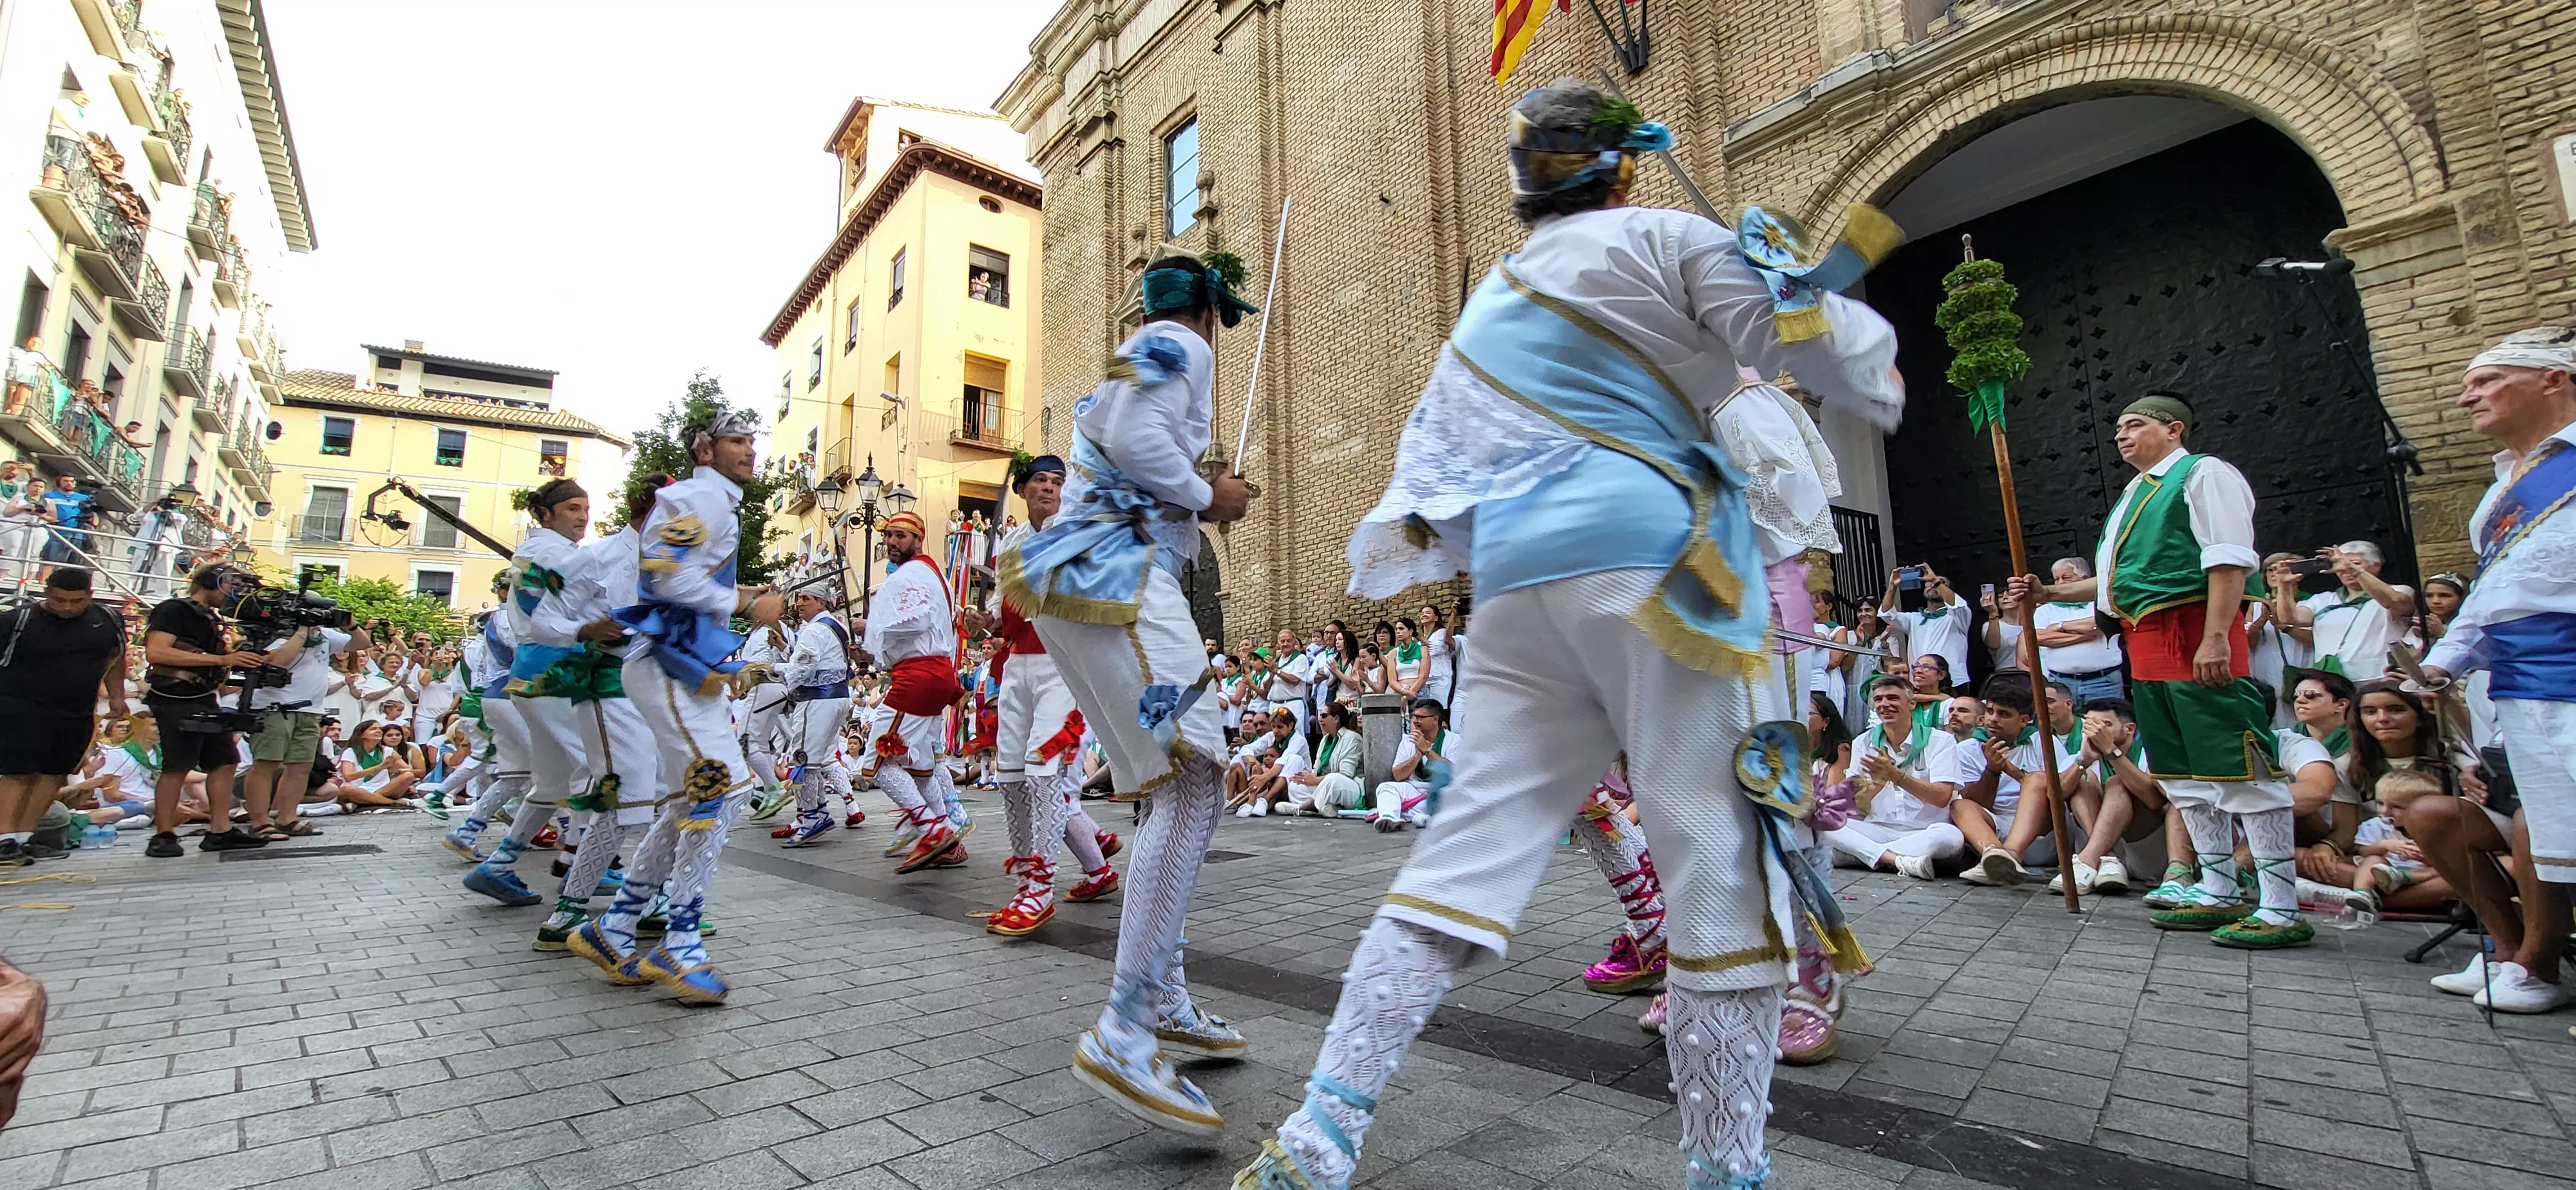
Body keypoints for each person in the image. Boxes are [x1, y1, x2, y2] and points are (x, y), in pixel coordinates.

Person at [1239, 80, 1900, 1189]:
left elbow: (1444, 463)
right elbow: (1828, 355)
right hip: (1664, 561)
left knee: (1459, 864)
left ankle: (1320, 1130)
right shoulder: (1665, 233)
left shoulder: (1495, 292)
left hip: (1517, 583)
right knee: (1716, 858)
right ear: (1624, 168)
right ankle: (1727, 1169)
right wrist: (1813, 280)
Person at [999, 248, 1258, 1132]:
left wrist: (1195, 499)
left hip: (1089, 573)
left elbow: (1113, 426)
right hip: (1113, 568)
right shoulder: (1179, 345)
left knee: (1167, 785)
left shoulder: (1144, 346)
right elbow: (1126, 429)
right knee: (1197, 777)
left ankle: (1168, 998)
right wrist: (1206, 493)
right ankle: (1128, 1026)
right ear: (1211, 313)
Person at [2010, 392, 2307, 949]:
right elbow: (2113, 580)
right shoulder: (2130, 498)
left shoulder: (2203, 474)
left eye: (2136, 425)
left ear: (2174, 430)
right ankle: (2215, 886)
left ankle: (2281, 904)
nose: (2122, 435)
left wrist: (2218, 635)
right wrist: (2049, 590)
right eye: (2118, 427)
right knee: (2184, 775)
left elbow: (2227, 558)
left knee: (2241, 768)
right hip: (2144, 645)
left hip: (2195, 633)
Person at [571, 422, 780, 1004]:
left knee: (692, 798)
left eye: (751, 442)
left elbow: (683, 575)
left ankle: (614, 929)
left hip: (684, 667)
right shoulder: (695, 497)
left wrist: (737, 597)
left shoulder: (714, 503)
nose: (750, 450)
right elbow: (665, 575)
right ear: (705, 451)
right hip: (667, 667)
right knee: (723, 790)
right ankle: (679, 940)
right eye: (736, 441)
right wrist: (743, 601)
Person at [2414, 326, 2576, 1012]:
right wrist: (2441, 660)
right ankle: (2530, 965)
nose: (2464, 398)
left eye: (2484, 381)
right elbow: (2495, 592)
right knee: (2556, 829)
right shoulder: (2500, 489)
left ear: (2553, 380)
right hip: (2517, 678)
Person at [976, 451, 1121, 934]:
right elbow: (1003, 608)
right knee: (1013, 776)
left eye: (1058, 481)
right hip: (1018, 667)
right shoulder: (1013, 544)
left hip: (1063, 665)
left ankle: (1041, 887)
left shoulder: (1078, 531)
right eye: (1040, 480)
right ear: (1023, 490)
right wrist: (987, 620)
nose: (1050, 488)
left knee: (1044, 773)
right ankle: (1029, 877)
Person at [859, 509, 969, 871]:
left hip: (917, 675)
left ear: (918, 539)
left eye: (900, 536)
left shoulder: (913, 575)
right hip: (934, 674)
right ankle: (950, 835)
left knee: (876, 763)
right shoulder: (931, 574)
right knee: (921, 764)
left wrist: (870, 629)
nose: (892, 542)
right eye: (889, 535)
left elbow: (915, 621)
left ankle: (933, 830)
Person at [0, 569, 127, 865]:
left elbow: (117, 656)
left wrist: (118, 695)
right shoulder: (17, 621)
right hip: (21, 705)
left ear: (90, 597)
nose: (68, 607)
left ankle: (24, 837)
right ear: (47, 594)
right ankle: (3, 838)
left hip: (77, 709)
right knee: (20, 771)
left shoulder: (107, 619)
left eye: (77, 601)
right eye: (60, 600)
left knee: (55, 773)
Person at [140, 565, 267, 856]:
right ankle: (164, 833)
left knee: (224, 760)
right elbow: (157, 652)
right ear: (210, 582)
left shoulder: (211, 618)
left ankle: (220, 829)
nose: (234, 594)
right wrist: (223, 660)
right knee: (177, 765)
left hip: (204, 695)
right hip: (174, 696)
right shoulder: (174, 609)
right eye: (230, 585)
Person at [1821, 675, 1971, 878]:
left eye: (1893, 698)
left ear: (1911, 704)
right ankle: (1896, 861)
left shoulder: (1941, 741)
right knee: (1824, 825)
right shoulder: (1862, 743)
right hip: (1877, 829)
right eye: (1879, 700)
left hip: (1925, 831)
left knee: (1950, 838)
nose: (1885, 704)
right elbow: (1856, 806)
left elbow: (1942, 797)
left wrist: (1898, 777)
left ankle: (1864, 855)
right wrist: (1876, 784)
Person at [242, 612, 363, 842]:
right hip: (274, 707)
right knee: (267, 764)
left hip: (311, 710)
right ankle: (259, 822)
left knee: (301, 767)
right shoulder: (277, 632)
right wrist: (301, 632)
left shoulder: (325, 634)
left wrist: (351, 624)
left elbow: (360, 644)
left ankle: (287, 819)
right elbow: (277, 660)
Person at [776, 578, 856, 847]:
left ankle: (812, 817)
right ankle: (812, 813)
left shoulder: (813, 630)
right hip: (837, 698)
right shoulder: (837, 626)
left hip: (818, 700)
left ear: (821, 602)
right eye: (798, 598)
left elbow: (803, 667)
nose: (799, 604)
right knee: (817, 760)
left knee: (803, 759)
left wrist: (780, 680)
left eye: (806, 599)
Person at [2279, 540, 2416, 678]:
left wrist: (2355, 571)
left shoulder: (2399, 591)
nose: (2344, 569)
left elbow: (2395, 602)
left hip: (2380, 677)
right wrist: (2284, 586)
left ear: (2376, 566)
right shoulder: (2322, 599)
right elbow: (2290, 618)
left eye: (2355, 563)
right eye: (2339, 564)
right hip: (2333, 682)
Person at [2031, 557, 2123, 703]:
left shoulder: (2102, 604)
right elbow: (2038, 638)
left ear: (2085, 579)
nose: (2060, 583)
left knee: (2107, 723)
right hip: (2062, 685)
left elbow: (2096, 626)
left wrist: (2059, 627)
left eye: (2066, 578)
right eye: (2056, 579)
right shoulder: (2045, 610)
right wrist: (2084, 636)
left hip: (2104, 683)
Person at [1368, 699, 1456, 831]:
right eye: (1414, 716)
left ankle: (1415, 815)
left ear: (1435, 720)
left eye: (1420, 717)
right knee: (1386, 787)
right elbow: (1398, 775)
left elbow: (1453, 772)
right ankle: (1390, 818)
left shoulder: (1453, 740)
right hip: (1414, 789)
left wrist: (1427, 751)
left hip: (1440, 791)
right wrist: (1418, 755)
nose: (1415, 721)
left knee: (1444, 803)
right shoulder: (1407, 740)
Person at [1880, 563, 1970, 683]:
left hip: (1952, 682)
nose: (1933, 585)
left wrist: (1935, 580)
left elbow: (1957, 605)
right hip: (1919, 681)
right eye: (1929, 584)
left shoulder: (1958, 617)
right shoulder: (1914, 618)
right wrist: (1893, 586)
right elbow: (1886, 613)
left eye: (1940, 583)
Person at [1280, 701, 1366, 817]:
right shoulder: (1325, 740)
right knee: (1295, 786)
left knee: (1333, 778)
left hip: (1349, 788)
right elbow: (1317, 769)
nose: (1320, 719)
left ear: (1336, 719)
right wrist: (1308, 777)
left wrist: (1314, 780)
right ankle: (1324, 807)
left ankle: (1306, 807)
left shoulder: (1352, 738)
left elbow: (1346, 774)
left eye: (1324, 716)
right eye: (1320, 716)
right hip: (1325, 787)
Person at [35, 473, 91, 581]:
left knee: (72, 565)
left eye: (72, 481)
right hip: (55, 533)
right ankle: (42, 584)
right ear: (59, 482)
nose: (69, 483)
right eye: (66, 481)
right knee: (49, 560)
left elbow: (92, 516)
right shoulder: (49, 496)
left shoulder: (84, 498)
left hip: (77, 534)